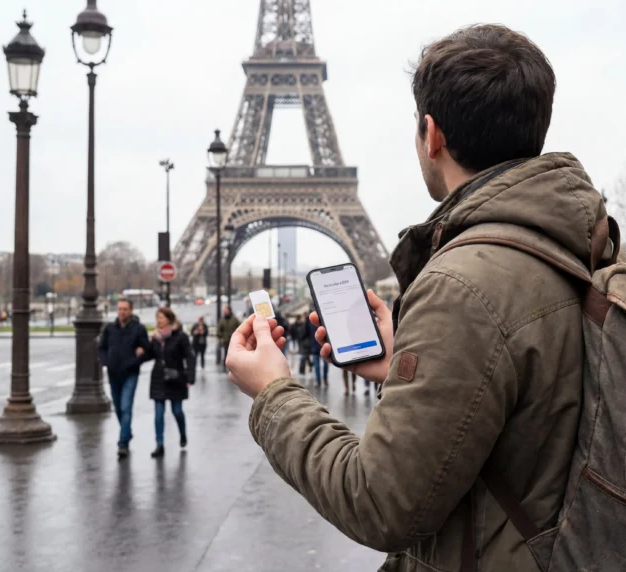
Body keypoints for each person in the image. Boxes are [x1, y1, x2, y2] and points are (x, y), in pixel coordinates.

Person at [225, 24, 598, 570]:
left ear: (432, 134)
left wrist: (273, 392)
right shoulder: (583, 246)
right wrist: (409, 363)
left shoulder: (462, 285)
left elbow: (380, 503)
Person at [98, 299, 151, 458]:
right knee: (119, 407)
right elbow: (102, 347)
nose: (122, 312)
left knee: (126, 406)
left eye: (125, 309)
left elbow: (147, 349)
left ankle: (123, 443)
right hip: (113, 373)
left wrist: (136, 361)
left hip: (130, 373)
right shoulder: (110, 328)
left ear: (131, 310)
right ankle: (126, 432)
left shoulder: (138, 329)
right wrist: (106, 361)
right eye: (120, 309)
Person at [146, 307, 195, 458]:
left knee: (177, 411)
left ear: (168, 318)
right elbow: (149, 355)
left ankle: (182, 433)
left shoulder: (180, 337)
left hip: (176, 377)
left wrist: (190, 377)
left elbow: (189, 357)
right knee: (159, 414)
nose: (158, 321)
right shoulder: (155, 337)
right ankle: (159, 444)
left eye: (161, 317)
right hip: (159, 378)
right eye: (157, 318)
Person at [308, 317, 328, 387]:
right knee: (317, 365)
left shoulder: (323, 320)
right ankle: (319, 381)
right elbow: (308, 335)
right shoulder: (310, 322)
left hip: (323, 346)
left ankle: (324, 379)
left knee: (324, 364)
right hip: (315, 347)